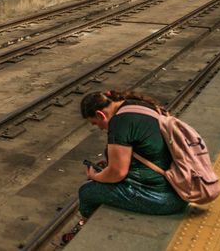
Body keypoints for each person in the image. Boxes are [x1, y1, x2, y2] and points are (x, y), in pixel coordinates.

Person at [69, 89, 187, 241]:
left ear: (100, 114)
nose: (99, 128)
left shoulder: (119, 123)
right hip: (179, 186)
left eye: (96, 123)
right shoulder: (137, 105)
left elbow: (117, 173)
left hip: (162, 198)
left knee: (87, 192)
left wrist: (95, 176)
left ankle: (88, 229)